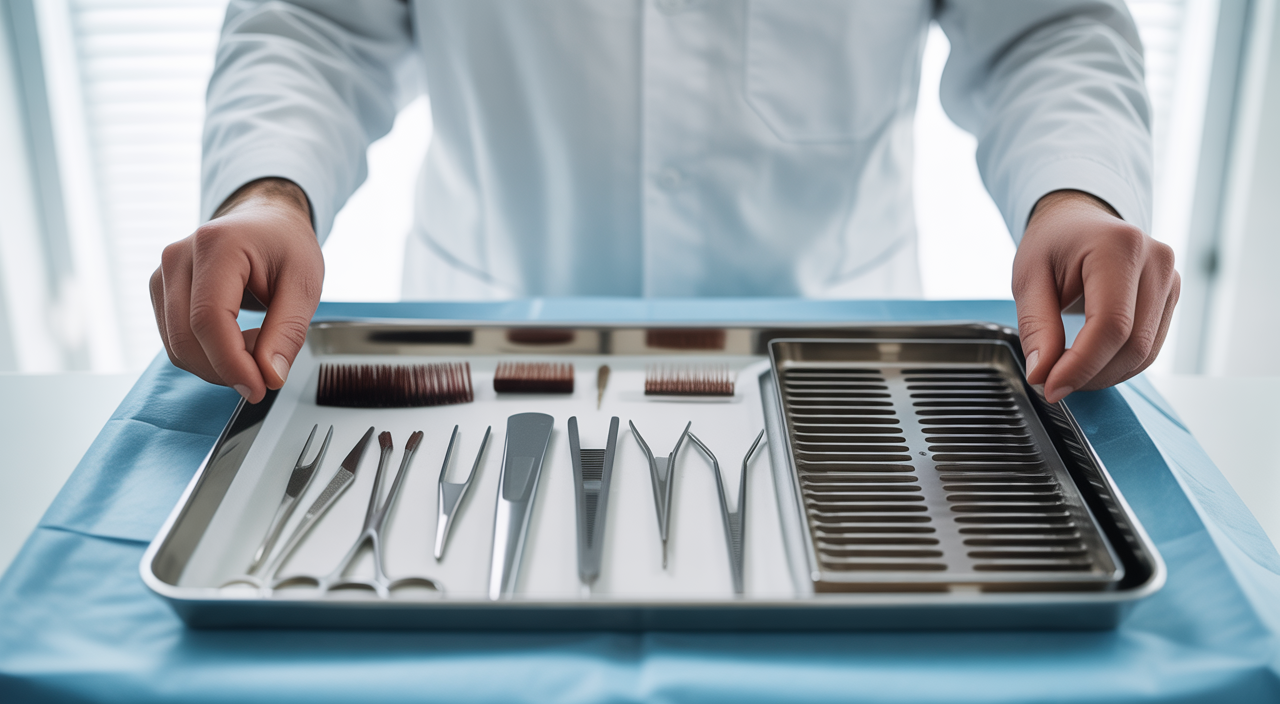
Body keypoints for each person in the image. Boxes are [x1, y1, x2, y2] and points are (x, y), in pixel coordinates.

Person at [150, 0, 1179, 405]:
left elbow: (1045, 26)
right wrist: (272, 188)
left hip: (828, 356)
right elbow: (314, 24)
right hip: (493, 341)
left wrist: (1073, 188)